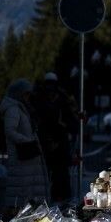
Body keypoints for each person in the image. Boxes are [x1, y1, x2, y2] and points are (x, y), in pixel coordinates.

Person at [0, 79, 49, 210]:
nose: (28, 97)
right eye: (26, 94)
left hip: (28, 156)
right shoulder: (13, 109)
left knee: (28, 190)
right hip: (22, 155)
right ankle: (20, 214)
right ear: (19, 93)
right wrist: (27, 141)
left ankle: (30, 213)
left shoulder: (22, 108)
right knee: (21, 190)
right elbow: (10, 131)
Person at [32, 72, 77, 203]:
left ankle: (62, 197)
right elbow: (38, 119)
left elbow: (70, 117)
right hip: (45, 138)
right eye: (48, 84)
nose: (50, 87)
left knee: (61, 171)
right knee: (45, 171)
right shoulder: (39, 97)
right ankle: (45, 197)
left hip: (60, 138)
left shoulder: (62, 97)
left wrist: (68, 128)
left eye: (52, 84)